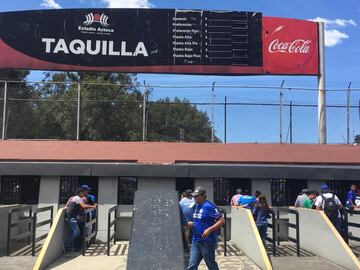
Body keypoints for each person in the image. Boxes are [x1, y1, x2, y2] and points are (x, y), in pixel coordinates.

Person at [187, 186, 224, 270]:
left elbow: (221, 221)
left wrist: (209, 229)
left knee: (211, 265)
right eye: (194, 196)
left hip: (207, 242)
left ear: (203, 195)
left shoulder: (209, 206)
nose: (194, 198)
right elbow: (200, 221)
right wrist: (192, 224)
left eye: (197, 196)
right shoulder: (196, 205)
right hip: (195, 240)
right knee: (192, 266)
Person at [65, 188, 97, 252]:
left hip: (73, 217)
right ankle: (67, 244)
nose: (84, 194)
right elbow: (84, 206)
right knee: (77, 232)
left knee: (76, 232)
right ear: (80, 193)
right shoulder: (77, 198)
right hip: (71, 217)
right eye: (83, 193)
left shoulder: (75, 198)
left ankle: (72, 248)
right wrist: (93, 206)